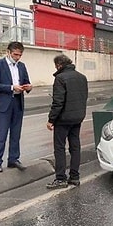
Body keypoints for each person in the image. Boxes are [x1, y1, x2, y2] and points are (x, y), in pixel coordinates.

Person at [46, 54, 88, 189]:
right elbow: (84, 97)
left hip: (63, 119)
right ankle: (75, 177)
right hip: (77, 118)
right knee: (75, 147)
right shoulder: (82, 77)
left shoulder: (60, 78)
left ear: (59, 65)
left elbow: (58, 102)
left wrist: (51, 119)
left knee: (59, 147)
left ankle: (60, 178)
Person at [0, 41, 32, 173]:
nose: (17, 57)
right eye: (15, 54)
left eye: (20, 55)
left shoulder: (22, 66)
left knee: (16, 134)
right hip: (4, 104)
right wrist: (11, 87)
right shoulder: (0, 65)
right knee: (1, 135)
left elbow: (26, 81)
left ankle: (13, 159)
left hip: (18, 102)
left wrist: (29, 87)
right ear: (8, 52)